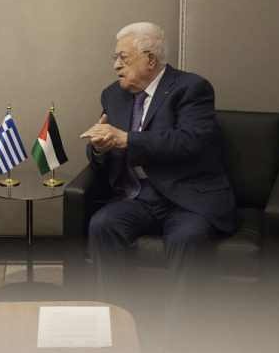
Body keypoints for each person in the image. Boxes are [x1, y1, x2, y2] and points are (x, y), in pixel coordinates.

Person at [80, 22, 237, 335]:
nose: (116, 66)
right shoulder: (112, 95)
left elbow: (190, 141)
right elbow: (106, 141)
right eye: (115, 58)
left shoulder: (192, 88)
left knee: (188, 238)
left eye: (123, 58)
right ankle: (118, 327)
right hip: (138, 196)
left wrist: (126, 139)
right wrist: (98, 148)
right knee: (102, 225)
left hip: (187, 198)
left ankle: (178, 341)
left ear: (149, 59)